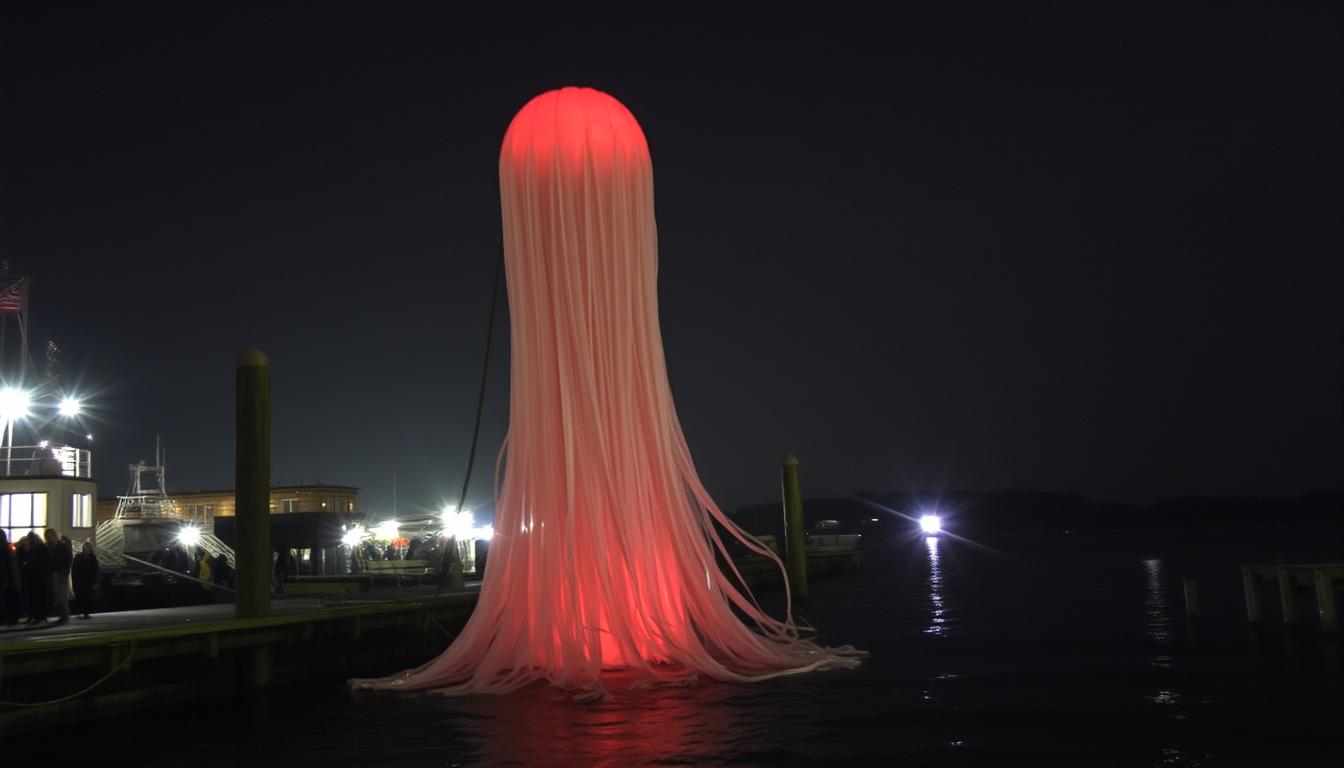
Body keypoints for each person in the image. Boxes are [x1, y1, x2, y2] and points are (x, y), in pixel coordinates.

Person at [46, 529, 72, 625]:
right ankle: (62, 616)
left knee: (61, 596)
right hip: (56, 573)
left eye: (50, 536)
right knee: (59, 596)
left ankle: (64, 616)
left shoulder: (61, 547)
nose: (48, 538)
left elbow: (67, 559)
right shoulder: (51, 547)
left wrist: (64, 571)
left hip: (60, 573)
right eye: (47, 537)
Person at [24, 531, 51, 625]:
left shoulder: (38, 548)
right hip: (38, 577)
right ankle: (39, 616)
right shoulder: (40, 547)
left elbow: (40, 562)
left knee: (38, 598)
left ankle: (38, 616)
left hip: (38, 577)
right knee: (38, 598)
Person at [71, 541, 99, 619]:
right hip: (81, 580)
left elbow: (95, 569)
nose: (86, 549)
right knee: (81, 596)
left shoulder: (91, 557)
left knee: (87, 596)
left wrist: (95, 580)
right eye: (85, 547)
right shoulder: (80, 557)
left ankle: (86, 612)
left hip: (87, 581)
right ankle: (83, 611)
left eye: (88, 547)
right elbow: (75, 569)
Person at [0, 530, 20, 626]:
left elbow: (10, 566)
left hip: (6, 579)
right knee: (9, 600)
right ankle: (10, 619)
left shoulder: (6, 548)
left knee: (7, 600)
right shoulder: (8, 547)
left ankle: (7, 619)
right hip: (8, 578)